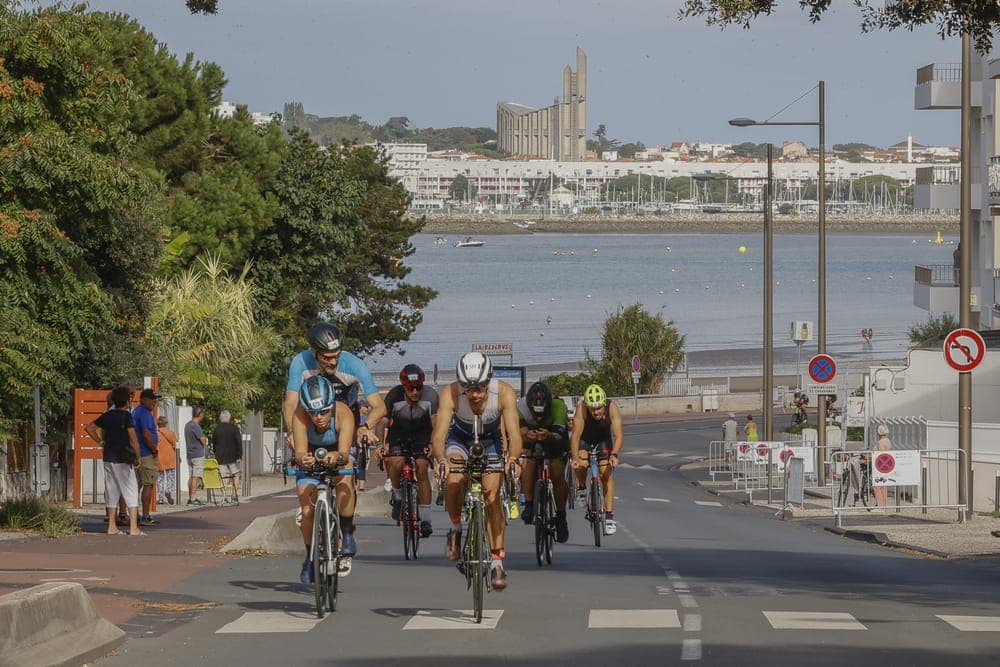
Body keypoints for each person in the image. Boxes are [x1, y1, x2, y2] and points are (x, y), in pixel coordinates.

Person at [430, 351, 523, 591]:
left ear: (489, 381)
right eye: (468, 388)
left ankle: (496, 562)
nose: (474, 395)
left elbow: (514, 436)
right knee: (454, 478)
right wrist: (441, 460)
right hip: (459, 438)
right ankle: (455, 527)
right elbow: (439, 436)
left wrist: (512, 459)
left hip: (491, 440)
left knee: (492, 496)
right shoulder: (449, 393)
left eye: (480, 388)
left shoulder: (504, 392)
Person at [283, 322, 387, 497]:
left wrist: (365, 427)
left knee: (344, 481)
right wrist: (292, 432)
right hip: (313, 427)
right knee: (308, 491)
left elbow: (379, 406)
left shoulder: (354, 364)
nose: (333, 362)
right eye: (326, 357)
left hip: (345, 427)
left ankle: (345, 522)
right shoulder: (300, 362)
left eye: (336, 356)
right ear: (313, 352)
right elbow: (290, 404)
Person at [292, 374, 356, 584]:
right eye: (313, 412)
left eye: (323, 411)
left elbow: (345, 453)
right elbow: (300, 452)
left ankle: (347, 532)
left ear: (331, 406)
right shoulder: (300, 415)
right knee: (307, 509)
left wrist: (337, 456)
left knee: (345, 478)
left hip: (337, 453)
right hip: (312, 455)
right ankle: (310, 557)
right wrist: (304, 459)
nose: (318, 417)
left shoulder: (344, 413)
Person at [381, 364, 439, 539]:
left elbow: (436, 424)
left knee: (421, 469)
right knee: (395, 463)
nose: (415, 392)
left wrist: (433, 444)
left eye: (418, 387)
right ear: (403, 386)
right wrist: (381, 444)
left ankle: (426, 520)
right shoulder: (394, 396)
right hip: (398, 434)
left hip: (422, 433)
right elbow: (383, 420)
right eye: (410, 388)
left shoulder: (431, 396)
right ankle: (398, 496)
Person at [517, 381, 570, 543]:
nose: (538, 417)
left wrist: (548, 435)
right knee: (529, 459)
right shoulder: (521, 407)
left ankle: (561, 517)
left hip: (554, 436)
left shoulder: (558, 406)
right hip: (532, 437)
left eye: (541, 414)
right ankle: (529, 503)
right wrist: (527, 435)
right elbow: (519, 431)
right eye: (535, 414)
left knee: (557, 475)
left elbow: (559, 435)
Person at [85, 386, 142, 536]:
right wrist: (138, 456)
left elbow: (89, 428)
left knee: (111, 490)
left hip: (108, 456)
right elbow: (133, 439)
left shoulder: (108, 415)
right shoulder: (126, 416)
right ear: (126, 400)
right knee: (131, 490)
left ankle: (111, 526)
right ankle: (134, 527)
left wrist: (100, 441)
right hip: (123, 458)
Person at [569, 384, 624, 536]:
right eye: (593, 409)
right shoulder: (581, 409)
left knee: (605, 474)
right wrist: (574, 458)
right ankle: (581, 488)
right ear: (587, 406)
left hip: (603, 440)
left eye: (599, 408)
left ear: (604, 404)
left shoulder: (612, 407)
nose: (597, 411)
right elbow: (575, 436)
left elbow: (618, 435)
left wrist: (614, 455)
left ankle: (609, 515)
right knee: (581, 460)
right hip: (585, 439)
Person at [132, 388, 161, 525]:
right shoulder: (144, 413)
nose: (154, 402)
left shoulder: (137, 411)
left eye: (155, 399)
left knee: (136, 485)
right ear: (143, 399)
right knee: (148, 484)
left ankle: (134, 514)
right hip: (145, 453)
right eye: (151, 399)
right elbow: (146, 433)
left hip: (138, 453)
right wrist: (153, 449)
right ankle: (145, 515)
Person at [213, 410, 243, 504]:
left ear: (220, 418)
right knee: (236, 474)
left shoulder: (217, 429)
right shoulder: (234, 428)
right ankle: (234, 495)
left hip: (220, 457)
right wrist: (239, 455)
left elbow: (214, 443)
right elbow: (239, 442)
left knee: (222, 476)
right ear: (229, 418)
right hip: (233, 457)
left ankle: (224, 496)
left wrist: (215, 453)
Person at [184, 406, 208, 505]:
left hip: (189, 454)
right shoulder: (195, 426)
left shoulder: (188, 425)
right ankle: (193, 498)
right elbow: (203, 440)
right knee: (196, 476)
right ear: (200, 414)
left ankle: (191, 497)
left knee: (191, 476)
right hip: (197, 454)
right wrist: (205, 439)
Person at [156, 416, 178, 505]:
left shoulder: (155, 433)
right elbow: (175, 445)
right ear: (166, 423)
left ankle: (160, 498)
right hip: (170, 458)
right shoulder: (171, 433)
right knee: (170, 478)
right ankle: (168, 491)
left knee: (160, 479)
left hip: (159, 458)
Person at [873, 424, 892, 507]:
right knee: (883, 486)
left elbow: (879, 455)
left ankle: (880, 505)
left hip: (879, 466)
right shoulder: (888, 441)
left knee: (877, 485)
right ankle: (884, 504)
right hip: (886, 466)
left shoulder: (880, 442)